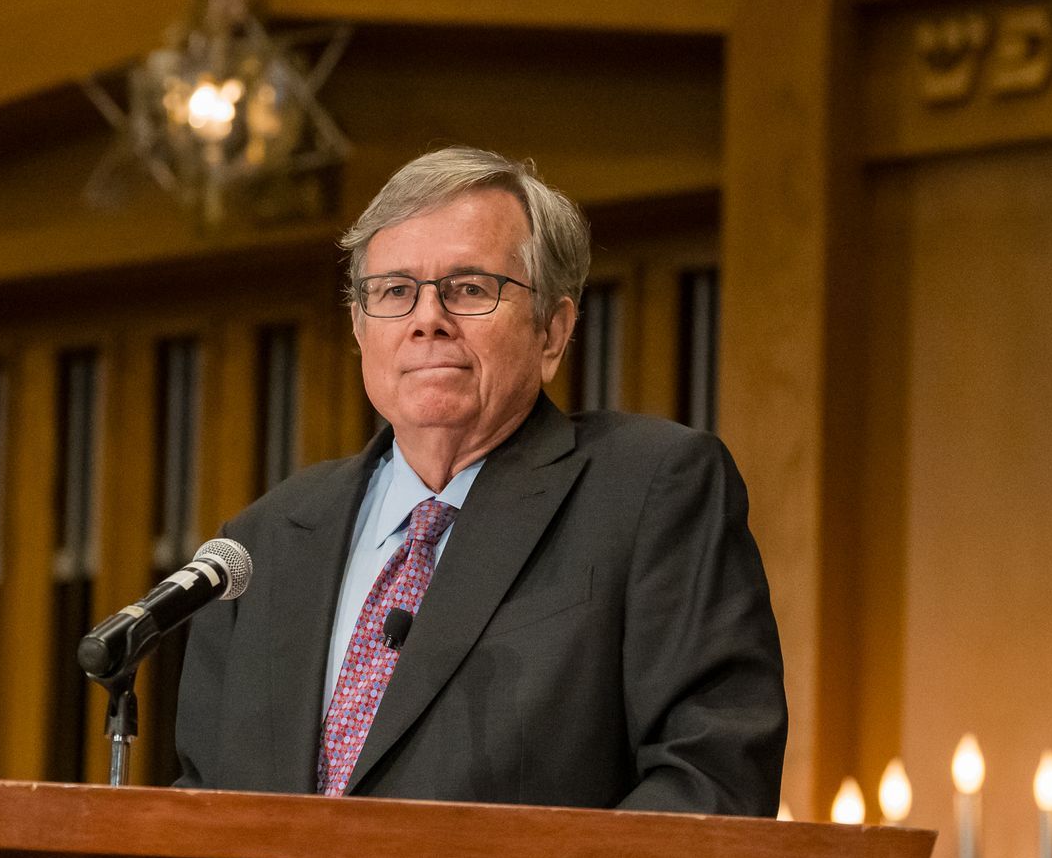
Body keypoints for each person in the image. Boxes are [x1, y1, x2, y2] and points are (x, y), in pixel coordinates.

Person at [173, 146, 786, 815]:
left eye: (469, 288)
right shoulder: (261, 543)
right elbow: (204, 802)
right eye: (395, 291)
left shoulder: (650, 490)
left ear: (553, 331)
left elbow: (710, 776)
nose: (427, 319)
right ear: (359, 326)